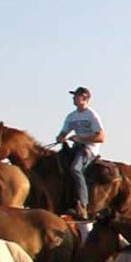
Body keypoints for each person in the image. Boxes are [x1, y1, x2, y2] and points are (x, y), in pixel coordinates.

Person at [55, 86, 105, 220]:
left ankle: (83, 204)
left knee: (75, 169)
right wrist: (60, 137)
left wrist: (80, 138)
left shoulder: (91, 115)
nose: (73, 98)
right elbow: (64, 131)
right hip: (77, 147)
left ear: (84, 98)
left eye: (76, 96)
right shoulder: (72, 116)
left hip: (89, 149)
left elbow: (101, 137)